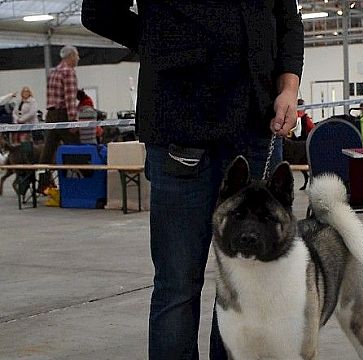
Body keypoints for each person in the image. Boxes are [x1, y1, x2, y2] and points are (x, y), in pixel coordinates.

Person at [81, 2, 303, 360]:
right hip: (180, 127)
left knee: (245, 281)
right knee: (178, 285)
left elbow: (287, 19)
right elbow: (98, 11)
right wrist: (163, 43)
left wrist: (288, 89)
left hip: (257, 126)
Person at [39, 45, 81, 164]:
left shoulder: (54, 72)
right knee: (76, 148)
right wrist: (73, 121)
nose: (78, 58)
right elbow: (70, 98)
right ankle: (87, 178)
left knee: (48, 152)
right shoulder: (68, 72)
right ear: (71, 56)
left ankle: (43, 179)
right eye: (77, 55)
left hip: (51, 115)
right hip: (63, 115)